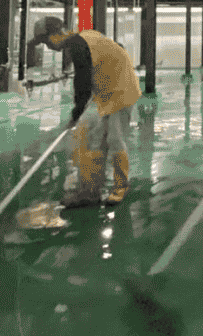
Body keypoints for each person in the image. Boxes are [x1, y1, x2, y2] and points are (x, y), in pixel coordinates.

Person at [29, 16, 141, 208]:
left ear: (55, 35)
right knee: (94, 140)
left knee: (115, 139)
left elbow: (82, 83)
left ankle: (121, 186)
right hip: (106, 91)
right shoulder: (82, 39)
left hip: (121, 90)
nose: (48, 47)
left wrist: (76, 113)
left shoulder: (78, 44)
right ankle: (90, 192)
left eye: (46, 42)